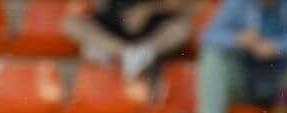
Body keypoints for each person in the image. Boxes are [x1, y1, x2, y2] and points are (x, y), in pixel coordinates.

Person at [63, 0, 194, 78]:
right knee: (72, 25)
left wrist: (145, 11)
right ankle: (129, 53)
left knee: (181, 29)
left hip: (154, 25)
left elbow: (177, 4)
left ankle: (137, 53)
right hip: (116, 24)